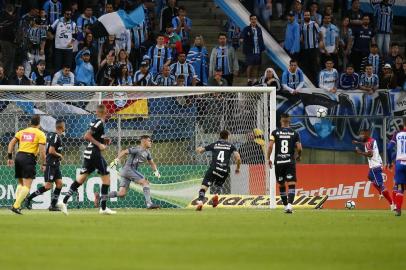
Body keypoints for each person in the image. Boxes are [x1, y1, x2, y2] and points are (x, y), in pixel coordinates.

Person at [57, 104, 116, 215]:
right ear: (105, 112)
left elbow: (94, 136)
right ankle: (103, 208)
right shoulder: (99, 123)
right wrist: (99, 144)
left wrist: (104, 141)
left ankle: (63, 201)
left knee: (81, 178)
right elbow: (87, 136)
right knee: (106, 178)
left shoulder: (95, 122)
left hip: (89, 153)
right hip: (94, 153)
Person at [104, 135, 160, 209]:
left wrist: (156, 171)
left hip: (127, 172)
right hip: (129, 169)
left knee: (122, 193)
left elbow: (151, 162)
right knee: (145, 182)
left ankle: (101, 196)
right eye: (149, 140)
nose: (151, 142)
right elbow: (124, 151)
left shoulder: (147, 153)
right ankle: (149, 204)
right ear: (143, 141)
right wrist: (116, 160)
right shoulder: (137, 149)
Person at [7, 115, 46, 214]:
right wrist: (44, 163)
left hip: (19, 157)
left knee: (20, 183)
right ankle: (16, 206)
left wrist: (9, 158)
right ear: (39, 123)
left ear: (30, 122)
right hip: (28, 158)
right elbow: (42, 152)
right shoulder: (40, 134)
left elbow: (11, 144)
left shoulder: (22, 132)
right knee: (27, 186)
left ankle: (16, 204)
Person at [24, 120, 66, 211]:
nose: (65, 128)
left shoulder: (51, 135)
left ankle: (53, 206)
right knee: (47, 186)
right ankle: (28, 198)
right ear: (61, 127)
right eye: (64, 126)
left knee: (59, 184)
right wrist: (60, 155)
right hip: (50, 164)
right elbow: (51, 151)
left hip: (56, 164)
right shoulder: (55, 136)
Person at [195, 130, 241, 211]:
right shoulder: (231, 146)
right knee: (219, 185)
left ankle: (200, 201)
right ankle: (216, 194)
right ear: (228, 136)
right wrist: (237, 168)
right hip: (224, 170)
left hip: (214, 168)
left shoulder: (215, 144)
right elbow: (238, 158)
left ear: (219, 136)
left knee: (204, 186)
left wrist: (197, 149)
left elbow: (201, 151)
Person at [267, 113, 302, 214]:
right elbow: (299, 148)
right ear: (289, 121)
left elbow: (270, 146)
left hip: (278, 162)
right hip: (289, 162)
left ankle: (286, 205)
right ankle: (290, 206)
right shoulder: (295, 133)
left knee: (281, 184)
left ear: (280, 121)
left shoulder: (274, 133)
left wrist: (268, 158)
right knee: (291, 183)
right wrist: (299, 156)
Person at [353, 129, 394, 210]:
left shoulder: (368, 143)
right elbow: (366, 143)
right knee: (370, 177)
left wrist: (360, 152)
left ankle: (392, 204)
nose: (360, 136)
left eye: (362, 134)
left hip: (375, 167)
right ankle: (381, 193)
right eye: (360, 134)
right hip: (378, 165)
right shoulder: (372, 140)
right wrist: (358, 142)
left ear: (367, 134)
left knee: (381, 185)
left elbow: (370, 154)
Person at [386, 120, 406, 216]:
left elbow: (389, 148)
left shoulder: (397, 134)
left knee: (400, 187)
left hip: (399, 163)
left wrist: (389, 162)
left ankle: (398, 209)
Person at [240, 14, 265, 86]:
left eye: (255, 19)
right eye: (252, 19)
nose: (253, 20)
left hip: (258, 50)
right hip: (250, 51)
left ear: (256, 20)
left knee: (256, 66)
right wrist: (241, 39)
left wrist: (262, 48)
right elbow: (242, 36)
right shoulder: (246, 29)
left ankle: (255, 80)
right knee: (250, 65)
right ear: (250, 20)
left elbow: (261, 39)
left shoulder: (259, 29)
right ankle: (249, 80)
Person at [300, 10, 322, 84]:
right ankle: (309, 83)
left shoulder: (314, 24)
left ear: (310, 16)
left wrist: (320, 41)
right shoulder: (302, 25)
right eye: (305, 15)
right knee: (307, 66)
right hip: (306, 49)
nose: (307, 16)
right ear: (303, 16)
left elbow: (320, 33)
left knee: (315, 66)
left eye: (308, 15)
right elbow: (302, 36)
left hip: (314, 48)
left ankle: (316, 83)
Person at [0, 4, 18, 77]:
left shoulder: (1, 16)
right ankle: (4, 74)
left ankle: (4, 74)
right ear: (12, 10)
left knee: (3, 57)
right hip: (8, 41)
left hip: (2, 40)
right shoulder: (11, 18)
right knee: (8, 58)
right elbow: (12, 32)